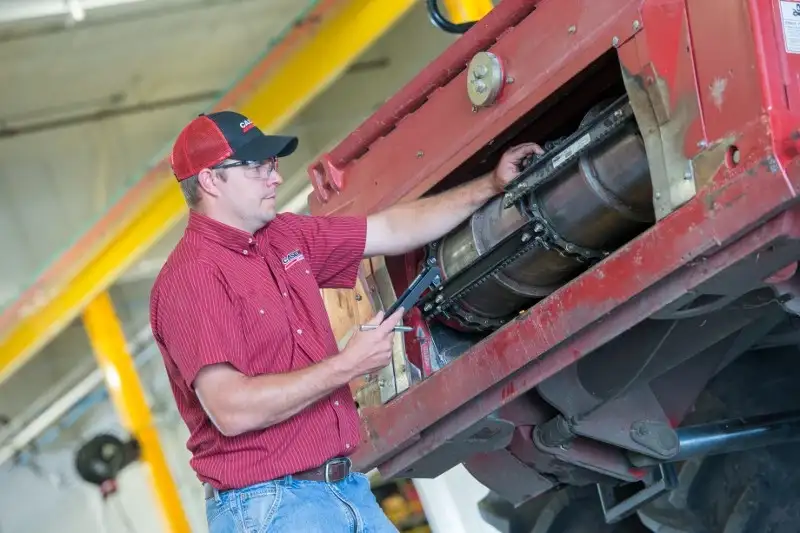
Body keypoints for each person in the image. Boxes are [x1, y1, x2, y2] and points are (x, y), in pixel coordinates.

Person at [149, 110, 541, 533]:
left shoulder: (284, 236)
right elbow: (232, 409)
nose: (276, 179)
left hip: (344, 488)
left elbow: (390, 229)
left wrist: (489, 185)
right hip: (271, 507)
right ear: (210, 180)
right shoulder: (192, 279)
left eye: (273, 166)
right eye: (258, 168)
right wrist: (348, 364)